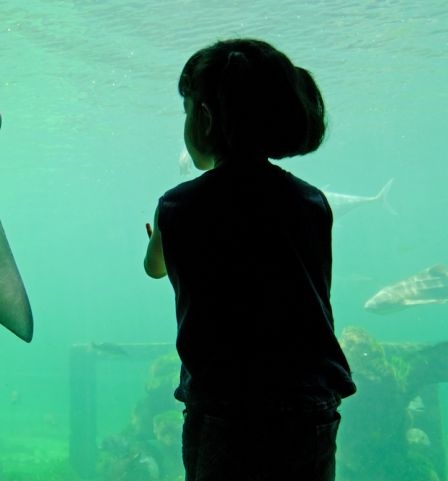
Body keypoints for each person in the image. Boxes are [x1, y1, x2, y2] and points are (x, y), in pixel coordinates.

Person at [143, 39, 357, 481]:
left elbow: (155, 267)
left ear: (202, 119)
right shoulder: (310, 201)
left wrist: (160, 237)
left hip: (226, 408)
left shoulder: (179, 206)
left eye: (187, 111)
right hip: (309, 406)